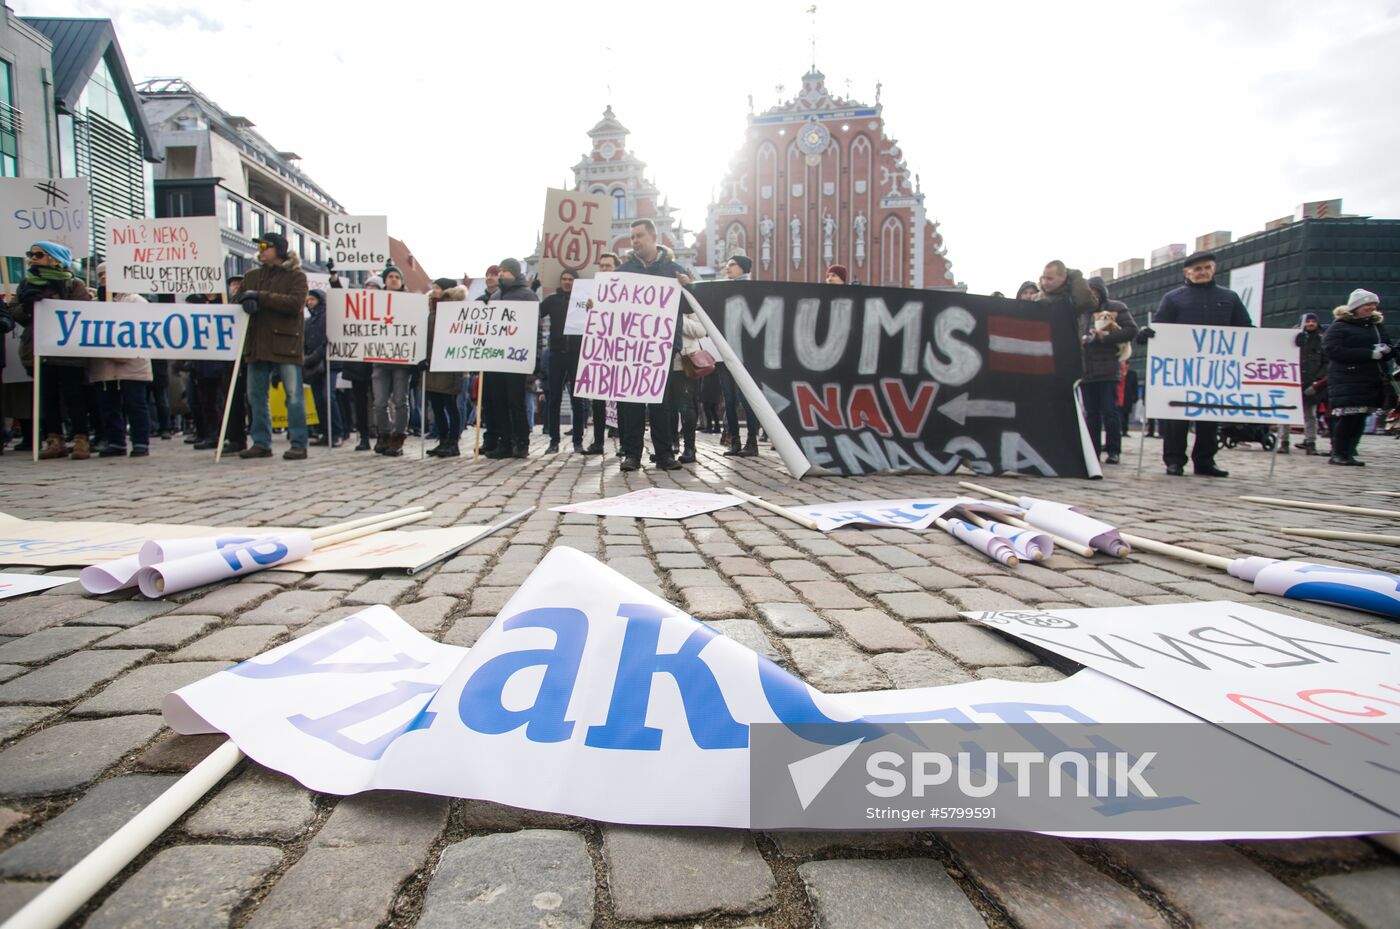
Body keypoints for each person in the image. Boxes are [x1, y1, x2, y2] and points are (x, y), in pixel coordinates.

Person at [1136, 250, 1251, 476]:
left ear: (1214, 269)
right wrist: (1145, 334)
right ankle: (1174, 460)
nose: (1203, 272)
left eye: (1207, 268)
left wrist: (1286, 342)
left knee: (1209, 418)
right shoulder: (1173, 298)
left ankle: (1205, 461)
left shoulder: (1230, 298)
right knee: (1176, 419)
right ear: (1187, 272)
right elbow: (1159, 329)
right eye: (1197, 269)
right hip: (1181, 369)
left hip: (1214, 369)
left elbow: (1246, 329)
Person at [7, 241, 94, 460]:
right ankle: (54, 440)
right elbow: (16, 314)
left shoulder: (74, 285)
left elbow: (82, 313)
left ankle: (81, 438)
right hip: (39, 349)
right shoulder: (27, 283)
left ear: (54, 259)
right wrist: (27, 306)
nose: (33, 258)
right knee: (47, 398)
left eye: (38, 255)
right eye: (31, 254)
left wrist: (53, 300)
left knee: (74, 396)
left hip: (68, 351)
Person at [617, 219, 687, 471]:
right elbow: (611, 305)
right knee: (632, 402)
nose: (634, 241)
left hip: (662, 347)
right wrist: (597, 305)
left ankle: (664, 454)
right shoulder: (624, 271)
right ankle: (632, 454)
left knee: (662, 403)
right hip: (631, 347)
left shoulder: (674, 270)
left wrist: (687, 288)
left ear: (653, 236)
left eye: (639, 236)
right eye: (632, 237)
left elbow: (689, 307)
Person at [237, 232, 310, 460]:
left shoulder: (296, 277)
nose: (261, 250)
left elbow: (294, 303)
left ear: (278, 249)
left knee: (293, 395)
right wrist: (245, 301)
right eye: (260, 246)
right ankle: (261, 442)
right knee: (256, 395)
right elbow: (237, 300)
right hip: (257, 343)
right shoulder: (251, 276)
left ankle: (298, 442)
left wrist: (260, 297)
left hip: (285, 342)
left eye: (266, 246)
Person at [1322, 289, 1392, 466]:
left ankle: (1349, 452)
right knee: (1349, 418)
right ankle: (1338, 453)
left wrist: (1388, 351)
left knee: (1360, 418)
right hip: (1348, 378)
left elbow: (1388, 345)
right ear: (1357, 306)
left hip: (1370, 379)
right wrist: (1368, 354)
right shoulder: (1340, 326)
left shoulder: (1376, 326)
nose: (1371, 307)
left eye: (1374, 304)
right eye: (1368, 304)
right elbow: (1332, 350)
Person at [90, 262, 153, 458]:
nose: (104, 279)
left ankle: (141, 442)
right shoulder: (93, 304)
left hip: (133, 362)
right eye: (100, 275)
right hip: (105, 364)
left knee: (135, 403)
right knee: (108, 405)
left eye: (108, 274)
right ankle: (116, 441)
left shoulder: (136, 301)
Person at [1079, 277, 1137, 464]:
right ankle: (1092, 450)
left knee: (1110, 411)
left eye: (1096, 292)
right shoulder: (1081, 312)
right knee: (1091, 414)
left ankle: (1114, 450)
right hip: (1086, 369)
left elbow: (1131, 330)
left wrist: (1104, 337)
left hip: (1108, 368)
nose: (1093, 295)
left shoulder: (1116, 307)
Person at [485, 259, 537, 459]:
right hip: (496, 358)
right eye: (500, 271)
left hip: (517, 358)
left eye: (505, 271)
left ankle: (522, 442)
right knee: (498, 403)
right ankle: (504, 442)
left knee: (516, 402)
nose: (501, 274)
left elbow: (535, 330)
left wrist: (535, 359)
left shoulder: (527, 296)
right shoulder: (496, 296)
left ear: (515, 273)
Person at [718, 255, 758, 457]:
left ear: (743, 268)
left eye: (732, 265)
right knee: (730, 399)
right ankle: (734, 441)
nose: (728, 268)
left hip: (746, 355)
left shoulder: (752, 290)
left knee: (748, 399)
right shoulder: (722, 290)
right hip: (725, 353)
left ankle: (752, 442)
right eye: (727, 265)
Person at [578, 253, 618, 455]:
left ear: (616, 269)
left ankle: (627, 444)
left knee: (624, 400)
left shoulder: (627, 290)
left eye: (608, 266)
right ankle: (598, 443)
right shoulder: (594, 292)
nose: (604, 270)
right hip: (601, 353)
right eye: (601, 266)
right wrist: (590, 311)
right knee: (599, 400)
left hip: (622, 353)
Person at [370, 265, 412, 456]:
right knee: (379, 401)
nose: (394, 279)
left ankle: (398, 437)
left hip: (401, 361)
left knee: (400, 400)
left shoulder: (411, 302)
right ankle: (384, 434)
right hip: (380, 358)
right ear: (385, 280)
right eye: (390, 276)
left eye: (397, 276)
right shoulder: (374, 302)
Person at [425, 277, 467, 457]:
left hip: (449, 365)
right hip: (433, 364)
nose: (434, 290)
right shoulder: (432, 309)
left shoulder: (454, 310)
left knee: (450, 404)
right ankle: (442, 439)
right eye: (433, 287)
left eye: (437, 288)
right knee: (436, 405)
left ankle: (453, 441)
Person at [539, 269, 576, 454]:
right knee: (554, 398)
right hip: (556, 354)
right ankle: (554, 441)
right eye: (564, 279)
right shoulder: (553, 300)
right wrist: (535, 288)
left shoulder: (582, 300)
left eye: (570, 279)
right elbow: (535, 313)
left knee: (578, 399)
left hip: (576, 354)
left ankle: (578, 441)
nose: (567, 282)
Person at [1283, 312, 1326, 456]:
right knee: (1285, 415)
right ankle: (1284, 442)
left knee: (1310, 416)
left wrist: (1317, 381)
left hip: (1310, 384)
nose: (1310, 324)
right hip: (1292, 383)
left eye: (1313, 321)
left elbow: (1326, 363)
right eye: (1307, 321)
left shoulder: (1322, 341)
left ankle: (1310, 443)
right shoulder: (1291, 339)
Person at [303, 289, 337, 446]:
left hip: (328, 363)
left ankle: (336, 432)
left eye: (313, 299)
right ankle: (325, 432)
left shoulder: (328, 318)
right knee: (317, 399)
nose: (309, 302)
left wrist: (313, 357)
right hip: (313, 366)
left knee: (327, 396)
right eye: (308, 300)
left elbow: (327, 341)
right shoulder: (308, 322)